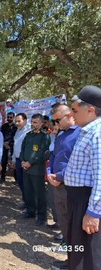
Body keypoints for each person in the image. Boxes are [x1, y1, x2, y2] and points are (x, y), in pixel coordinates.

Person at [64, 85, 101, 270]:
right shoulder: (87, 130)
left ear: (91, 110)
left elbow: (100, 178)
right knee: (77, 250)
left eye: (75, 110)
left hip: (87, 202)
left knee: (89, 256)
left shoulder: (97, 134)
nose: (72, 114)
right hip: (78, 199)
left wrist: (94, 213)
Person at [48, 103, 81, 270]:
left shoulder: (80, 134)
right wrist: (49, 172)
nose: (56, 124)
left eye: (58, 120)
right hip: (57, 185)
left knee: (75, 226)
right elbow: (53, 156)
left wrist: (59, 176)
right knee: (65, 224)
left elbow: (77, 162)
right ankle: (70, 260)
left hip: (72, 187)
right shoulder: (60, 135)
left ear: (69, 115)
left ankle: (76, 263)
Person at [20, 113, 50, 226]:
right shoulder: (28, 135)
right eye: (32, 122)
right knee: (28, 192)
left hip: (37, 170)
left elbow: (43, 153)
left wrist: (30, 162)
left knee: (40, 193)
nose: (33, 124)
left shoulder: (44, 136)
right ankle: (30, 211)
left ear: (42, 123)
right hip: (26, 168)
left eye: (36, 122)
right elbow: (23, 149)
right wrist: (23, 160)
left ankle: (42, 216)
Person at [12, 113, 30, 207]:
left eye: (19, 121)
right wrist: (14, 159)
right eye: (16, 121)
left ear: (25, 120)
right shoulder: (18, 131)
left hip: (25, 161)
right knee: (20, 182)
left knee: (27, 184)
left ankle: (30, 204)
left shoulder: (29, 131)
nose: (17, 123)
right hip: (18, 160)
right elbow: (15, 146)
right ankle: (25, 201)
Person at [0, 112, 17, 183]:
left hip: (12, 146)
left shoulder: (16, 127)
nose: (9, 118)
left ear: (13, 118)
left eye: (11, 117)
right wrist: (4, 143)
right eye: (8, 117)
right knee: (3, 162)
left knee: (14, 162)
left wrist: (9, 143)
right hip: (4, 146)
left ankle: (16, 179)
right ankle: (2, 177)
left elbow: (15, 137)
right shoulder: (4, 126)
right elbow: (1, 136)